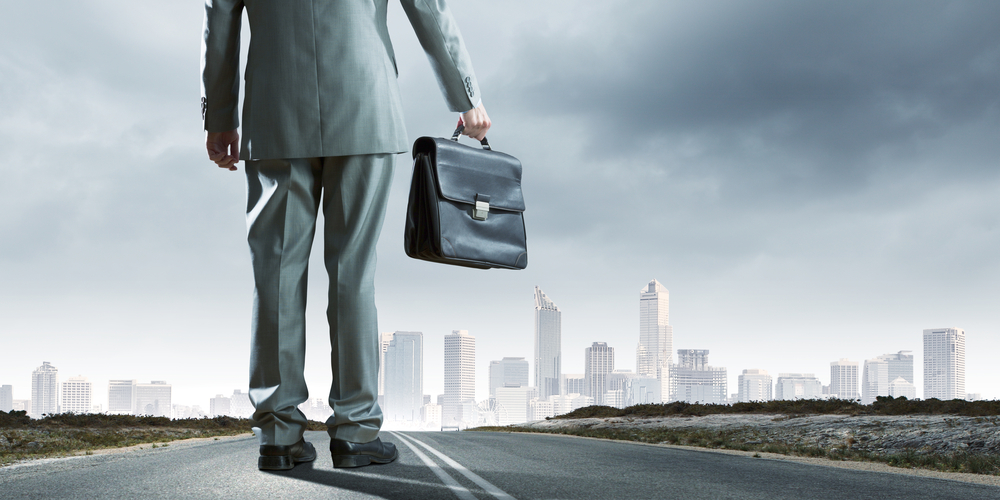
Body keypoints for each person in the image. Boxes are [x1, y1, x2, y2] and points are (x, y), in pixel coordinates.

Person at [201, 0, 491, 471]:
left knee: (275, 275)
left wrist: (219, 117)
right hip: (364, 101)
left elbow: (219, 16)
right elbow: (428, 8)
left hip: (275, 110)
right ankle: (355, 431)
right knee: (353, 273)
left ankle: (278, 433)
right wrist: (467, 97)